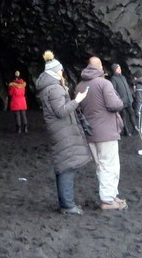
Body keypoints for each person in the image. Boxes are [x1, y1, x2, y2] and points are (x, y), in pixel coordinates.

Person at [35, 51, 92, 214]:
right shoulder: (55, 89)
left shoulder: (48, 88)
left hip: (58, 130)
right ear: (55, 71)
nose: (62, 72)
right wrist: (77, 100)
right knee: (68, 166)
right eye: (60, 70)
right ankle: (68, 205)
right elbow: (61, 111)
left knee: (63, 165)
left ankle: (65, 203)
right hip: (63, 130)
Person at [76, 56, 127, 210]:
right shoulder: (105, 83)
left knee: (100, 165)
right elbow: (114, 104)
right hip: (106, 132)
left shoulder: (79, 86)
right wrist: (120, 100)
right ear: (100, 68)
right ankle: (108, 200)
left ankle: (111, 195)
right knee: (110, 165)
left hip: (90, 132)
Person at [110, 64, 138, 136]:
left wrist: (130, 96)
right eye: (118, 68)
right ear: (114, 69)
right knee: (123, 116)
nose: (120, 69)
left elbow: (127, 88)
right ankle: (126, 131)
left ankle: (135, 128)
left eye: (120, 68)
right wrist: (119, 99)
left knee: (132, 113)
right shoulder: (113, 79)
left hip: (128, 99)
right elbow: (114, 90)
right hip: (122, 101)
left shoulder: (123, 77)